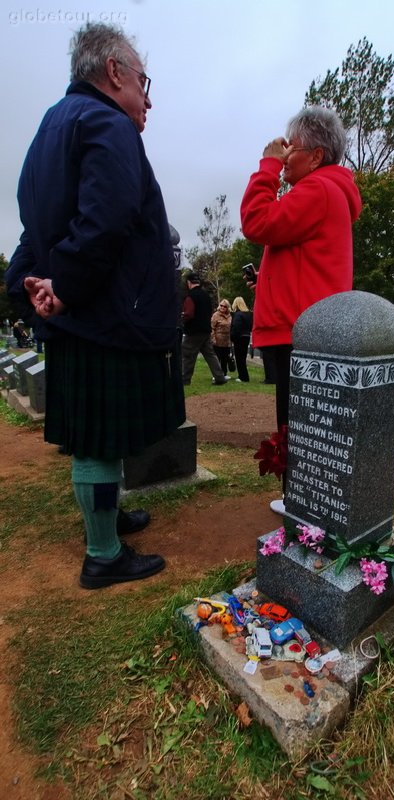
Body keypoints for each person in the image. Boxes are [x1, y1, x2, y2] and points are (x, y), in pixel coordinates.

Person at [6, 22, 185, 587]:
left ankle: (107, 519)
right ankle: (103, 553)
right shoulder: (108, 122)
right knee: (99, 437)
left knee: (95, 435)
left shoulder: (48, 127)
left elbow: (35, 223)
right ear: (114, 73)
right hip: (106, 313)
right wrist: (66, 286)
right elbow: (104, 220)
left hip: (76, 308)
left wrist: (32, 282)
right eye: (142, 81)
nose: (147, 97)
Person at [240, 105, 362, 513]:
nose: (285, 154)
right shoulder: (325, 191)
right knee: (304, 425)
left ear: (316, 156)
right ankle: (305, 501)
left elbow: (256, 222)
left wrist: (266, 167)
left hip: (299, 333)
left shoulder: (318, 190)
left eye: (292, 147)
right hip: (303, 328)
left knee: (300, 427)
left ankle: (306, 505)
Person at [182, 274, 229, 385]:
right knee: (210, 355)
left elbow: (189, 314)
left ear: (189, 283)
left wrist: (181, 317)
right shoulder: (206, 295)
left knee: (188, 355)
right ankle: (219, 377)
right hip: (206, 330)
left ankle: (184, 379)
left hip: (193, 331)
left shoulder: (190, 296)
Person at [231, 296, 253, 382]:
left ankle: (242, 376)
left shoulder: (238, 314)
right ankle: (244, 376)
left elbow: (236, 327)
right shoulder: (249, 314)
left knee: (239, 358)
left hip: (239, 338)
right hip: (246, 336)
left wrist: (232, 337)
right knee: (243, 357)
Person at [211, 299, 232, 376]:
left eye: (225, 306)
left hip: (227, 341)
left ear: (227, 308)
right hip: (217, 340)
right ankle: (216, 375)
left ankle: (224, 374)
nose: (222, 307)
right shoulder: (215, 315)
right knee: (217, 358)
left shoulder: (230, 316)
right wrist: (213, 339)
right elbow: (212, 328)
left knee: (225, 358)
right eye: (221, 305)